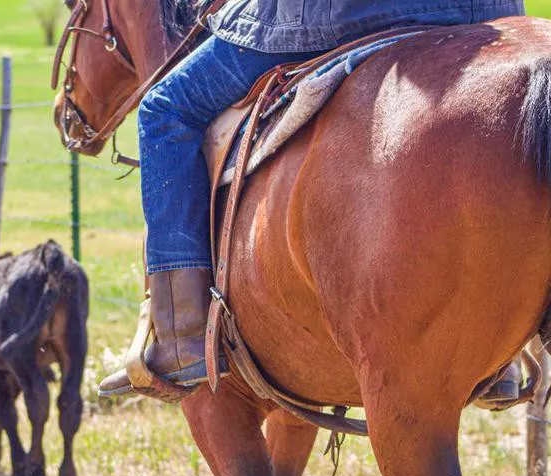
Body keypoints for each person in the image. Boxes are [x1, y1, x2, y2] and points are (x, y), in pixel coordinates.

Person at [99, 0, 526, 398]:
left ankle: (180, 335)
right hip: (482, 9)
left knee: (165, 108)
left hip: (339, 14)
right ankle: (502, 347)